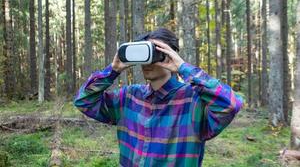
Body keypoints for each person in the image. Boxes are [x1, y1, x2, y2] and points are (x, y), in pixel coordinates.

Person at [74, 28, 243, 166]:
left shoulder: (194, 100)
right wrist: (113, 70)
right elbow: (84, 101)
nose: (148, 63)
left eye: (155, 54)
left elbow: (230, 104)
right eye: (144, 55)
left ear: (170, 55)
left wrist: (183, 67)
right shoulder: (129, 97)